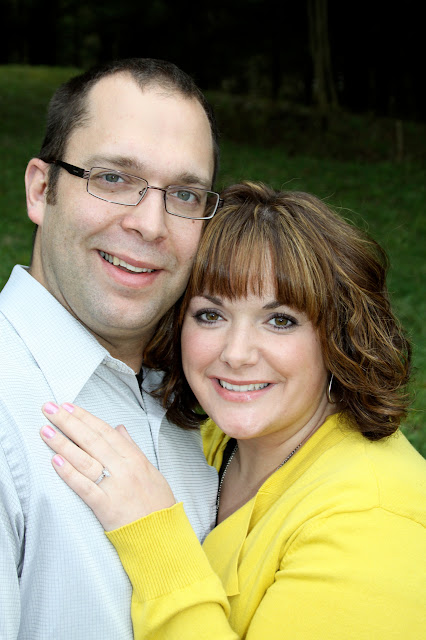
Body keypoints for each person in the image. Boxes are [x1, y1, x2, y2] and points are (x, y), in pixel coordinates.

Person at [40, 181, 426, 639]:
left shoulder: (374, 518)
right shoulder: (212, 440)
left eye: (279, 320)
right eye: (211, 315)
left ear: (339, 337)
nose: (237, 353)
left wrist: (154, 537)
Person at [0, 58, 222, 639]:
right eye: (113, 178)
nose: (150, 224)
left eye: (185, 194)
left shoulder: (216, 407)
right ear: (41, 189)